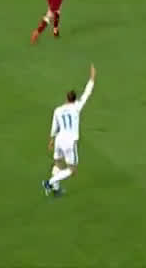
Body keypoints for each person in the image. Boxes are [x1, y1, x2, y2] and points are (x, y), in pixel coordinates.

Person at [43, 64, 96, 197]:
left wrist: (51, 140)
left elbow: (54, 127)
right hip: (69, 142)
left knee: (58, 165)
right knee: (72, 170)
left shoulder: (58, 110)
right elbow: (87, 94)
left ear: (66, 98)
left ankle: (56, 189)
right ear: (74, 99)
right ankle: (49, 182)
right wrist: (92, 78)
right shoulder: (77, 107)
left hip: (59, 139)